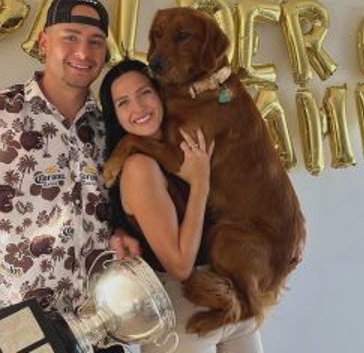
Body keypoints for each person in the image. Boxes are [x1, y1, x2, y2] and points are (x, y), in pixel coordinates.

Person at [0, 0, 139, 318]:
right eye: (71, 37)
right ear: (44, 43)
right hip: (5, 327)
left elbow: (116, 208)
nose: (83, 51)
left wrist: (121, 230)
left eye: (95, 41)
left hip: (92, 328)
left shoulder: (110, 129)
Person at [99, 59, 258, 352]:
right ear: (116, 116)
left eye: (145, 92)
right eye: (123, 102)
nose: (139, 107)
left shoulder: (186, 143)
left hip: (233, 298)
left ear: (160, 93)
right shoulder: (139, 168)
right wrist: (200, 183)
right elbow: (180, 265)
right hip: (184, 313)